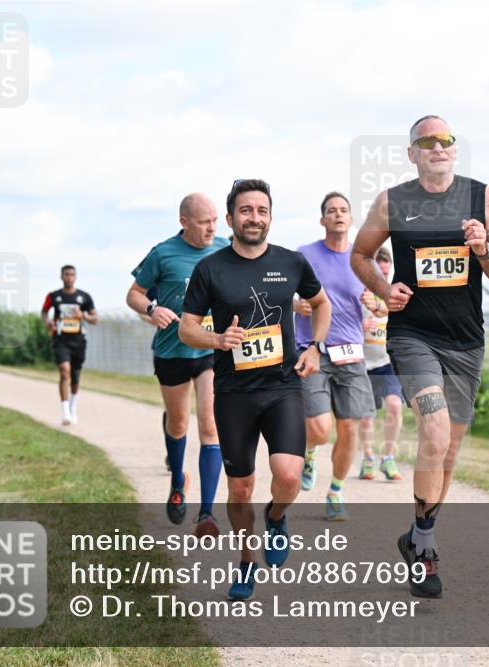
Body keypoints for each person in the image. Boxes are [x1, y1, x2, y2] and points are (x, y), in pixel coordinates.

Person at [351, 115, 489, 598]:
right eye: (428, 141)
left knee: (448, 452)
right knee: (434, 428)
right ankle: (425, 549)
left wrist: (484, 250)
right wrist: (384, 289)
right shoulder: (392, 201)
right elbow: (360, 255)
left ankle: (415, 532)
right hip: (412, 336)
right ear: (412, 153)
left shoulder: (481, 197)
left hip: (465, 340)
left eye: (446, 140)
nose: (438, 147)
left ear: (454, 150)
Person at [180, 178, 331, 601]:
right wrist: (218, 341)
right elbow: (187, 327)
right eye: (246, 210)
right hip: (233, 394)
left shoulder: (292, 262)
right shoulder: (210, 269)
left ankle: (277, 516)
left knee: (287, 475)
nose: (255, 217)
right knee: (240, 488)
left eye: (262, 210)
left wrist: (315, 347)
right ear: (230, 218)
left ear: (270, 217)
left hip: (282, 386)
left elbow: (321, 304)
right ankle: (247, 560)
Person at [127, 193, 230, 534]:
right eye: (204, 222)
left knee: (211, 423)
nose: (211, 227)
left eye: (214, 219)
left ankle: (207, 513)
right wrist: (151, 309)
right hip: (172, 352)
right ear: (184, 222)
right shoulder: (163, 253)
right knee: (178, 422)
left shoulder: (223, 249)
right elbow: (134, 294)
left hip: (209, 351)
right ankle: (177, 478)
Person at [294, 191, 376, 521]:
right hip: (312, 349)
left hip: (352, 353)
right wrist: (292, 304)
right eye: (332, 210)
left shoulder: (363, 259)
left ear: (351, 218)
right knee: (318, 429)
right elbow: (279, 294)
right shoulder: (305, 255)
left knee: (350, 429)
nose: (338, 215)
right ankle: (310, 453)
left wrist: (378, 305)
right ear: (322, 219)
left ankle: (336, 491)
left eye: (344, 210)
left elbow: (383, 302)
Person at [358, 246, 404, 482]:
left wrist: (379, 307)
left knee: (395, 406)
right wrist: (359, 327)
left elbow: (392, 310)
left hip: (386, 361)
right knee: (366, 416)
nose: (383, 279)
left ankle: (387, 457)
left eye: (386, 275)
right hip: (362, 362)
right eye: (378, 275)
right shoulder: (357, 290)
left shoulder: (394, 292)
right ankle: (367, 458)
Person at [41, 266, 98, 425]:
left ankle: (73, 406)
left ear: (75, 277)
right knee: (64, 372)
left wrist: (83, 315)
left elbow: (95, 318)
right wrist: (48, 324)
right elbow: (44, 312)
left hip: (79, 341)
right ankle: (65, 411)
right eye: (66, 274)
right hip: (60, 340)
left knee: (75, 375)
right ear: (61, 276)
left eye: (72, 274)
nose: (69, 277)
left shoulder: (84, 297)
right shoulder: (53, 296)